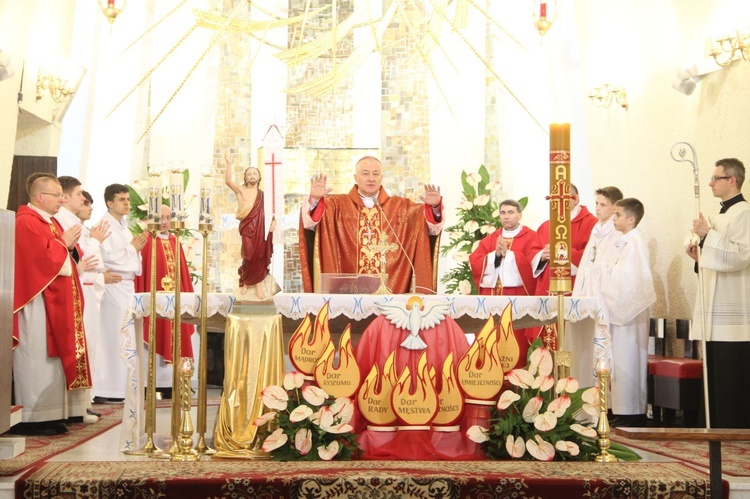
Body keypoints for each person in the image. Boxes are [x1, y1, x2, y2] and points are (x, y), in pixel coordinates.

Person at [12, 173, 93, 435]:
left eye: (61, 195)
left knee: (54, 361)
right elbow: (38, 261)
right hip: (36, 303)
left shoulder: (49, 221)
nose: (61, 200)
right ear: (39, 197)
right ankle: (32, 417)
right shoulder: (26, 221)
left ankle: (54, 413)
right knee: (36, 357)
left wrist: (68, 247)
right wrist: (63, 244)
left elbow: (66, 257)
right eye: (56, 195)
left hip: (54, 302)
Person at [299, 156, 444, 294]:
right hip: (347, 294)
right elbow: (311, 223)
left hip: (392, 294)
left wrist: (434, 208)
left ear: (382, 178)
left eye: (376, 174)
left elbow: (426, 226)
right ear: (355, 177)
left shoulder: (401, 207)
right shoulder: (336, 205)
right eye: (365, 173)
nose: (371, 178)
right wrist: (315, 200)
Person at [686, 158, 750, 428]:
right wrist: (698, 254)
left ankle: (733, 429)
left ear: (732, 180)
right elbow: (717, 260)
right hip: (714, 312)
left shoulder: (744, 213)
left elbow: (742, 256)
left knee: (730, 375)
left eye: (716, 178)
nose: (711, 183)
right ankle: (714, 428)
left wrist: (708, 235)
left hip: (733, 316)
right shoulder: (723, 215)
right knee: (714, 375)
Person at [54, 177, 111, 421]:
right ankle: (78, 408)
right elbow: (86, 257)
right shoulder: (64, 221)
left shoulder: (74, 221)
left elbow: (90, 261)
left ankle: (82, 403)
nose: (83, 199)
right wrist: (96, 242)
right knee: (82, 345)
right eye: (79, 194)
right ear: (66, 196)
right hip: (78, 287)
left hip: (86, 286)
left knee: (89, 346)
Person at [598, 198, 655, 427]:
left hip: (630, 312)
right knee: (619, 360)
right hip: (619, 309)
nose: (614, 218)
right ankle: (621, 408)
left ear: (631, 219)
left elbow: (632, 278)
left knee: (629, 359)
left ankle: (633, 412)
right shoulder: (624, 242)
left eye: (618, 214)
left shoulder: (635, 243)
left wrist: (603, 272)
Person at [134, 204, 196, 398]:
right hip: (154, 304)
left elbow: (184, 276)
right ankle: (151, 384)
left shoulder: (175, 241)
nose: (164, 222)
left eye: (168, 217)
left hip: (175, 304)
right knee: (152, 337)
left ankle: (174, 382)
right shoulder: (145, 241)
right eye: (160, 217)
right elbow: (139, 275)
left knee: (176, 334)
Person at [94, 184, 147, 403]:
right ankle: (109, 389)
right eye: (121, 199)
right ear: (109, 203)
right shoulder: (104, 226)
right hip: (113, 286)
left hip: (126, 286)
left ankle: (122, 387)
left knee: (125, 337)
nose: (127, 203)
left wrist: (135, 251)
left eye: (127, 199)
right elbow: (108, 259)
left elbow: (130, 258)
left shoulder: (122, 226)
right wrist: (133, 249)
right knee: (113, 337)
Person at [468, 199, 537, 368]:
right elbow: (475, 262)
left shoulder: (531, 237)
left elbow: (532, 265)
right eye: (503, 213)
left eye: (511, 212)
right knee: (489, 338)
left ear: (519, 215)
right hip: (492, 299)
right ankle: (487, 374)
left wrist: (510, 255)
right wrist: (495, 256)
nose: (506, 217)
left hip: (516, 298)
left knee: (515, 339)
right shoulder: (491, 239)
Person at [567, 186, 624, 387]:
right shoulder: (597, 230)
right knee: (584, 349)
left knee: (600, 350)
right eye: (596, 204)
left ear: (615, 207)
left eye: (603, 205)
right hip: (586, 298)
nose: (598, 209)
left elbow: (608, 269)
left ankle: (601, 400)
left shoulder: (616, 233)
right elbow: (585, 265)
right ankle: (583, 393)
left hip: (602, 302)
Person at [224, 151, 277, 301]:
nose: (252, 176)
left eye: (255, 174)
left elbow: (271, 213)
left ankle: (259, 285)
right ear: (245, 178)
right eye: (249, 174)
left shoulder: (263, 195)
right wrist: (229, 164)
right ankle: (246, 280)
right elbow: (228, 181)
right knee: (248, 254)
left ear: (259, 177)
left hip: (261, 228)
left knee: (260, 256)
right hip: (248, 227)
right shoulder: (241, 190)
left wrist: (273, 222)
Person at [531, 184, 598, 295]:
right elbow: (533, 252)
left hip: (575, 287)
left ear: (575, 199)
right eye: (553, 199)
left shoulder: (592, 224)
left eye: (561, 199)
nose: (556, 203)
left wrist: (562, 252)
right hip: (547, 288)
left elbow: (592, 256)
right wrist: (542, 256)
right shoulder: (545, 226)